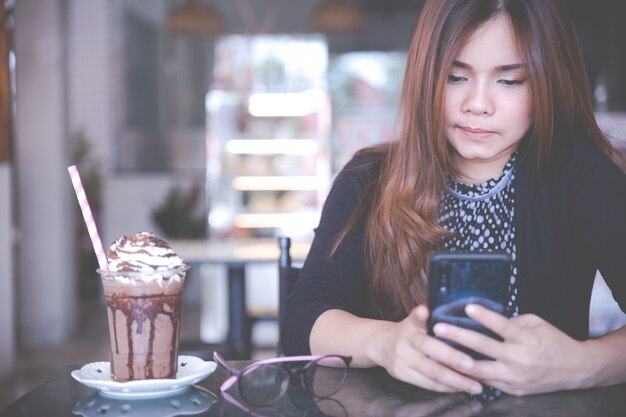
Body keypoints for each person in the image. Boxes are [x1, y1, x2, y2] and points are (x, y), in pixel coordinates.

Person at [282, 0, 626, 397]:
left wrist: (583, 365)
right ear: (425, 76)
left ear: (548, 80)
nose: (477, 104)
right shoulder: (368, 179)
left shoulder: (579, 177)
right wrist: (386, 343)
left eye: (510, 81)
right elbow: (303, 321)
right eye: (455, 76)